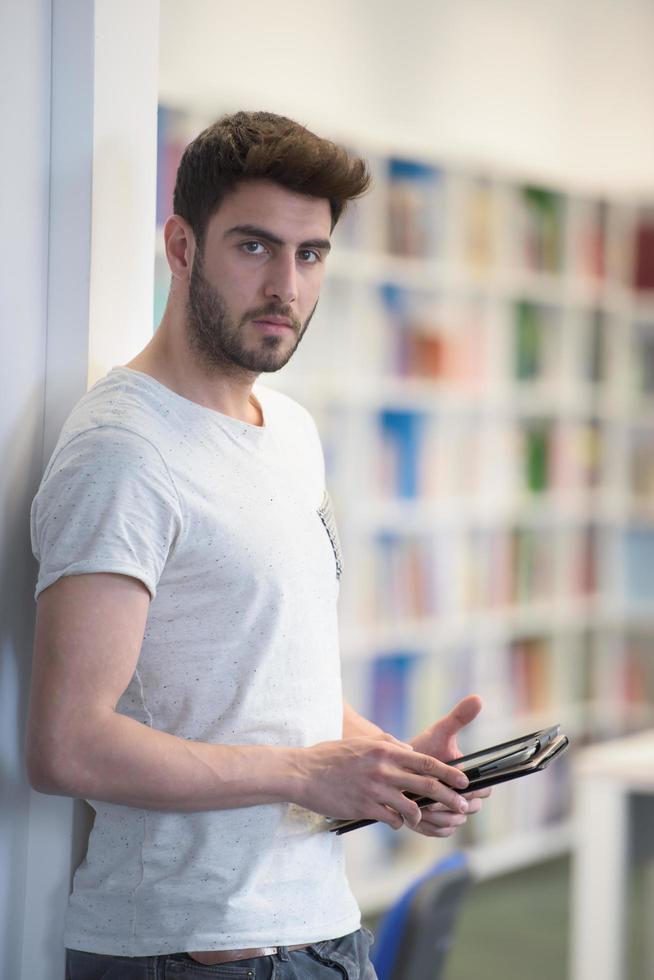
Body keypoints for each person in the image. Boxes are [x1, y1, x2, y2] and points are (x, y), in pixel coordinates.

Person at [26, 110, 489, 979]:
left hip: (322, 928)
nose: (286, 284)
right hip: (196, 951)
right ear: (181, 245)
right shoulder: (124, 452)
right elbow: (67, 745)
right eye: (253, 246)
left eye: (310, 254)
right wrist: (304, 774)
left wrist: (385, 767)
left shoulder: (291, 432)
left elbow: (260, 690)